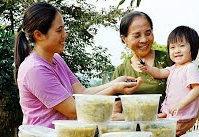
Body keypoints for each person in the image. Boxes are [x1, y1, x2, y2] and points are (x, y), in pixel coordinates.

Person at [14, 2, 142, 128]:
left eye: (64, 29)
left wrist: (115, 82)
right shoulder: (35, 70)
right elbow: (74, 109)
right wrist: (115, 89)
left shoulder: (56, 59)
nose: (65, 35)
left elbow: (82, 92)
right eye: (59, 30)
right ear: (38, 35)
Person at [112, 11, 199, 136]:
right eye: (137, 35)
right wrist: (146, 119)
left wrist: (189, 123)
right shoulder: (121, 72)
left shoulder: (171, 59)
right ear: (124, 39)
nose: (144, 40)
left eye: (148, 33)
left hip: (168, 135)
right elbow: (114, 116)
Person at [138, 25, 199, 125]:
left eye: (182, 46)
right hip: (172, 113)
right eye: (172, 47)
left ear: (192, 47)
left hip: (182, 113)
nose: (176, 50)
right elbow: (159, 73)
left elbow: (197, 89)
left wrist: (180, 105)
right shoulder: (173, 68)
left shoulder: (190, 67)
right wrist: (148, 68)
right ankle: (162, 116)